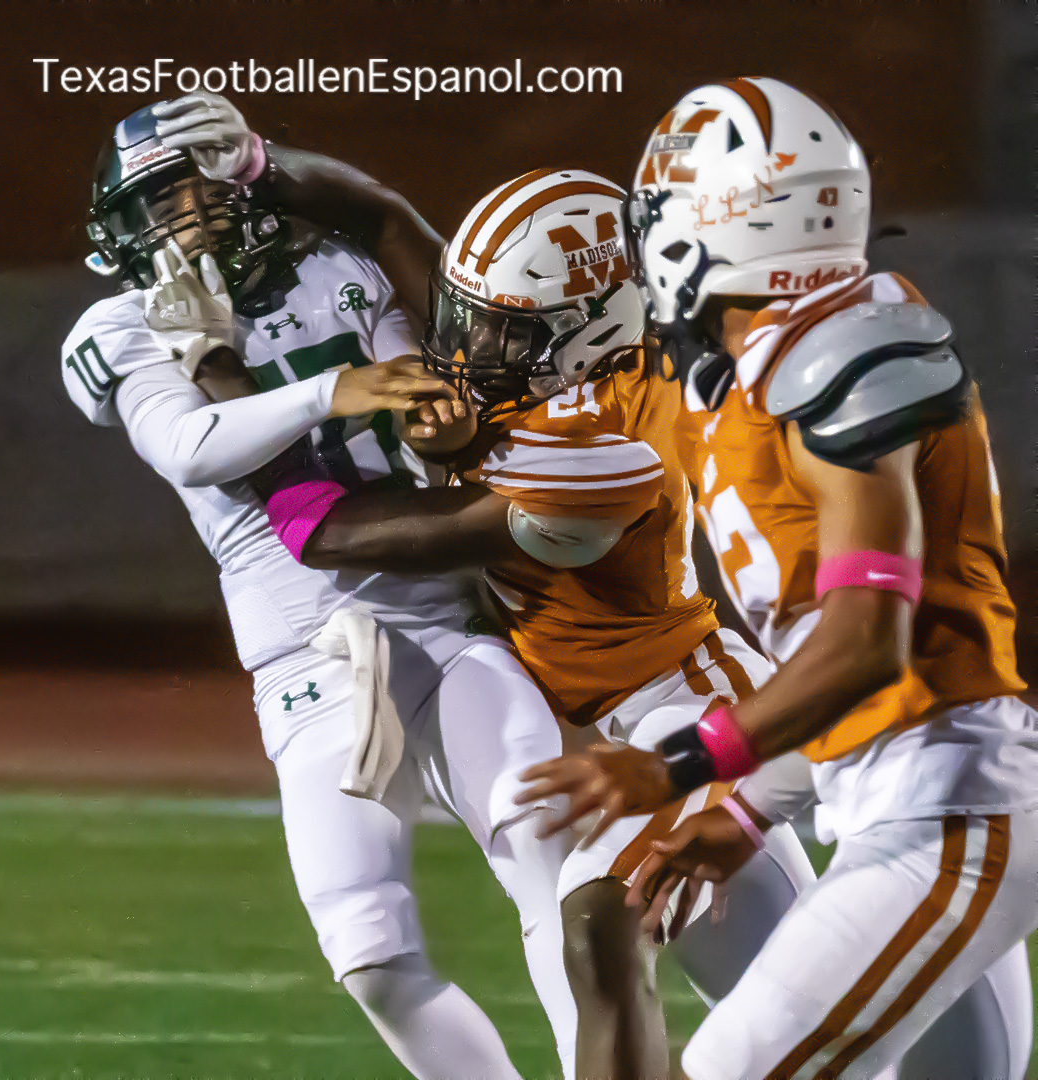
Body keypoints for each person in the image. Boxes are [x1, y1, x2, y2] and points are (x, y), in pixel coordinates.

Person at [151, 91, 816, 1080]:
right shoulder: (548, 364)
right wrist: (254, 167)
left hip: (681, 716)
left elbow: (329, 533)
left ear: (590, 327)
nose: (466, 345)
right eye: (469, 316)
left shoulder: (610, 443)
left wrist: (215, 367)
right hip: (602, 721)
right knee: (752, 1016)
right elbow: (380, 215)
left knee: (754, 999)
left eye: (501, 329)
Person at [517, 77, 1038, 1080]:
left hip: (952, 811)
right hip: (901, 804)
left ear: (712, 225)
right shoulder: (760, 373)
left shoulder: (845, 355)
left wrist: (678, 767)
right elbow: (845, 671)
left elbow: (865, 643)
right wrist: (750, 810)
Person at [64, 102, 581, 1080]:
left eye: (195, 190)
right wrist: (326, 391)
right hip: (304, 650)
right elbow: (189, 445)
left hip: (440, 617)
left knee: (552, 865)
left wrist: (438, 421)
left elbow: (426, 393)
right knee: (368, 948)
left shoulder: (336, 269)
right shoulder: (121, 326)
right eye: (157, 204)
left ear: (242, 185)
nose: (182, 219)